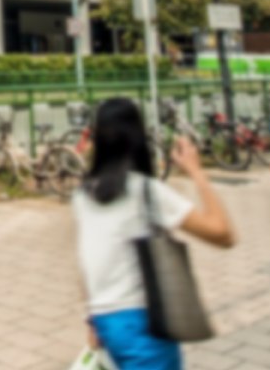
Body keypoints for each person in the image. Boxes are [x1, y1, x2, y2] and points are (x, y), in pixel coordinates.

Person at [74, 97, 234, 370]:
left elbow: (85, 262)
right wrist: (196, 171)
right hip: (143, 326)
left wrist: (92, 320)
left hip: (106, 323)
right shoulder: (146, 192)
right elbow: (223, 234)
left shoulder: (83, 195)